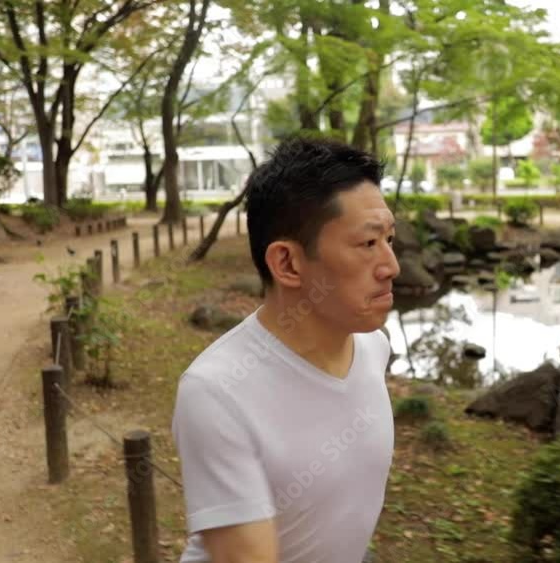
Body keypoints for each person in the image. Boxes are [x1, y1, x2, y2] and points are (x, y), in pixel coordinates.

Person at [172, 136, 401, 563]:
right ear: (288, 264)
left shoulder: (373, 347)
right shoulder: (217, 394)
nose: (392, 265)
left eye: (390, 238)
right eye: (368, 244)